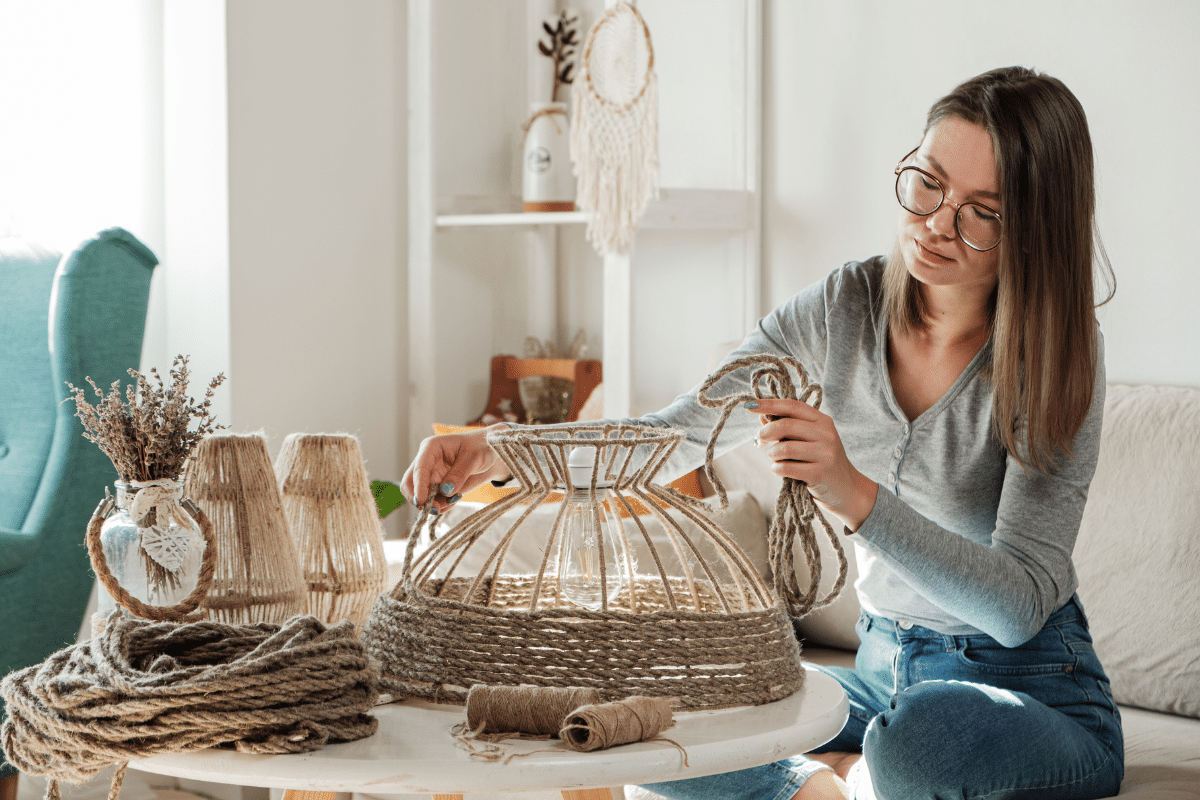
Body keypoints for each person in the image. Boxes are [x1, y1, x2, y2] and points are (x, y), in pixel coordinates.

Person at [402, 66, 1122, 800]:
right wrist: (503, 450)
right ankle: (824, 784)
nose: (937, 222)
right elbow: (675, 434)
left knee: (923, 740)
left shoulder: (1060, 354)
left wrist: (853, 494)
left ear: (1032, 229)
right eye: (927, 183)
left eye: (982, 213)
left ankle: (867, 774)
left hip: (1027, 694)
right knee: (649, 715)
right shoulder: (844, 306)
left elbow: (1018, 606)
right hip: (880, 678)